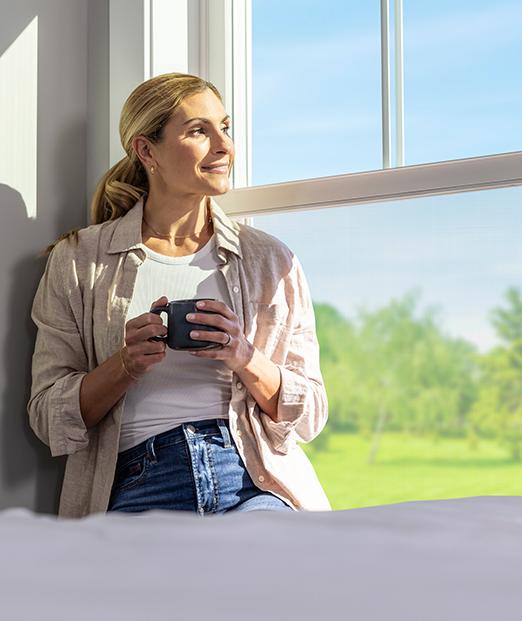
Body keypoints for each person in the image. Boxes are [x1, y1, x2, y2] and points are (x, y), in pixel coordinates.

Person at [28, 72, 330, 518]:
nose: (224, 146)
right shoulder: (79, 260)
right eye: (198, 131)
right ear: (146, 150)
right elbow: (47, 417)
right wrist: (125, 364)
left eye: (224, 128)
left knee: (274, 576)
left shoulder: (270, 260)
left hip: (252, 480)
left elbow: (310, 414)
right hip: (139, 482)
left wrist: (244, 355)